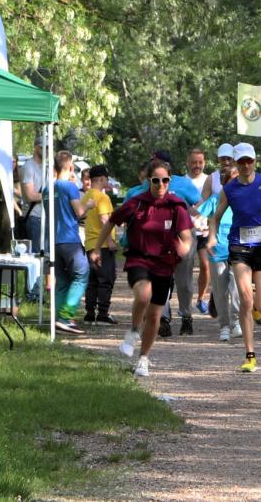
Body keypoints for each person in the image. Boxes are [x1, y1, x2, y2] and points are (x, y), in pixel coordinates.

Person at [97, 160, 193, 377]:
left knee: (155, 315)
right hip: (139, 259)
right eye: (156, 180)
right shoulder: (137, 202)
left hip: (165, 264)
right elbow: (111, 221)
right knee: (143, 294)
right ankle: (132, 331)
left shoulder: (176, 206)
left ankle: (143, 358)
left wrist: (183, 248)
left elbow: (187, 238)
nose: (161, 184)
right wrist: (96, 248)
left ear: (170, 181)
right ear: (148, 180)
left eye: (165, 180)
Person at [207, 142, 261, 372]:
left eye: (248, 161)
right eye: (241, 161)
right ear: (236, 162)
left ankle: (250, 316)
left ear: (254, 161)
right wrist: (212, 237)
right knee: (245, 297)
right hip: (239, 246)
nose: (245, 165)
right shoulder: (229, 189)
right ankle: (250, 355)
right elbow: (215, 216)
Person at [46, 151, 89, 335]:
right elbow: (79, 212)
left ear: (55, 167)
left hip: (53, 240)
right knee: (81, 275)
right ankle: (65, 317)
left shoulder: (47, 188)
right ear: (71, 167)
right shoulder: (70, 187)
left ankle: (58, 320)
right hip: (70, 239)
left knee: (62, 281)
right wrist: (89, 205)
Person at [200, 166, 242, 341]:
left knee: (238, 287)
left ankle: (236, 321)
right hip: (217, 251)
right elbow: (198, 216)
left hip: (239, 249)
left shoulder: (245, 199)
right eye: (231, 178)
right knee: (220, 290)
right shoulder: (215, 200)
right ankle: (224, 325)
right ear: (225, 182)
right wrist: (205, 232)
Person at [82, 165, 118, 325]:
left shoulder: (86, 196)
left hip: (89, 243)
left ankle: (90, 312)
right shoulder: (102, 198)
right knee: (106, 279)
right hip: (102, 245)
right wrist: (110, 240)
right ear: (102, 178)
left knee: (93, 280)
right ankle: (103, 313)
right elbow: (105, 220)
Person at [185, 148, 213, 315]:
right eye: (194, 162)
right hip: (186, 231)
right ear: (187, 163)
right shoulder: (181, 181)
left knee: (205, 265)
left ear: (204, 163)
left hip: (205, 230)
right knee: (186, 267)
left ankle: (201, 299)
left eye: (200, 162)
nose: (197, 166)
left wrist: (210, 223)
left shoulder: (209, 180)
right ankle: (185, 299)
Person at [21, 134, 47, 298]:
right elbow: (30, 195)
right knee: (34, 256)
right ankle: (33, 294)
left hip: (47, 217)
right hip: (34, 217)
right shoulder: (28, 167)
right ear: (36, 148)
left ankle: (39, 292)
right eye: (45, 147)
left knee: (45, 257)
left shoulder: (48, 167)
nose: (47, 151)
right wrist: (49, 195)